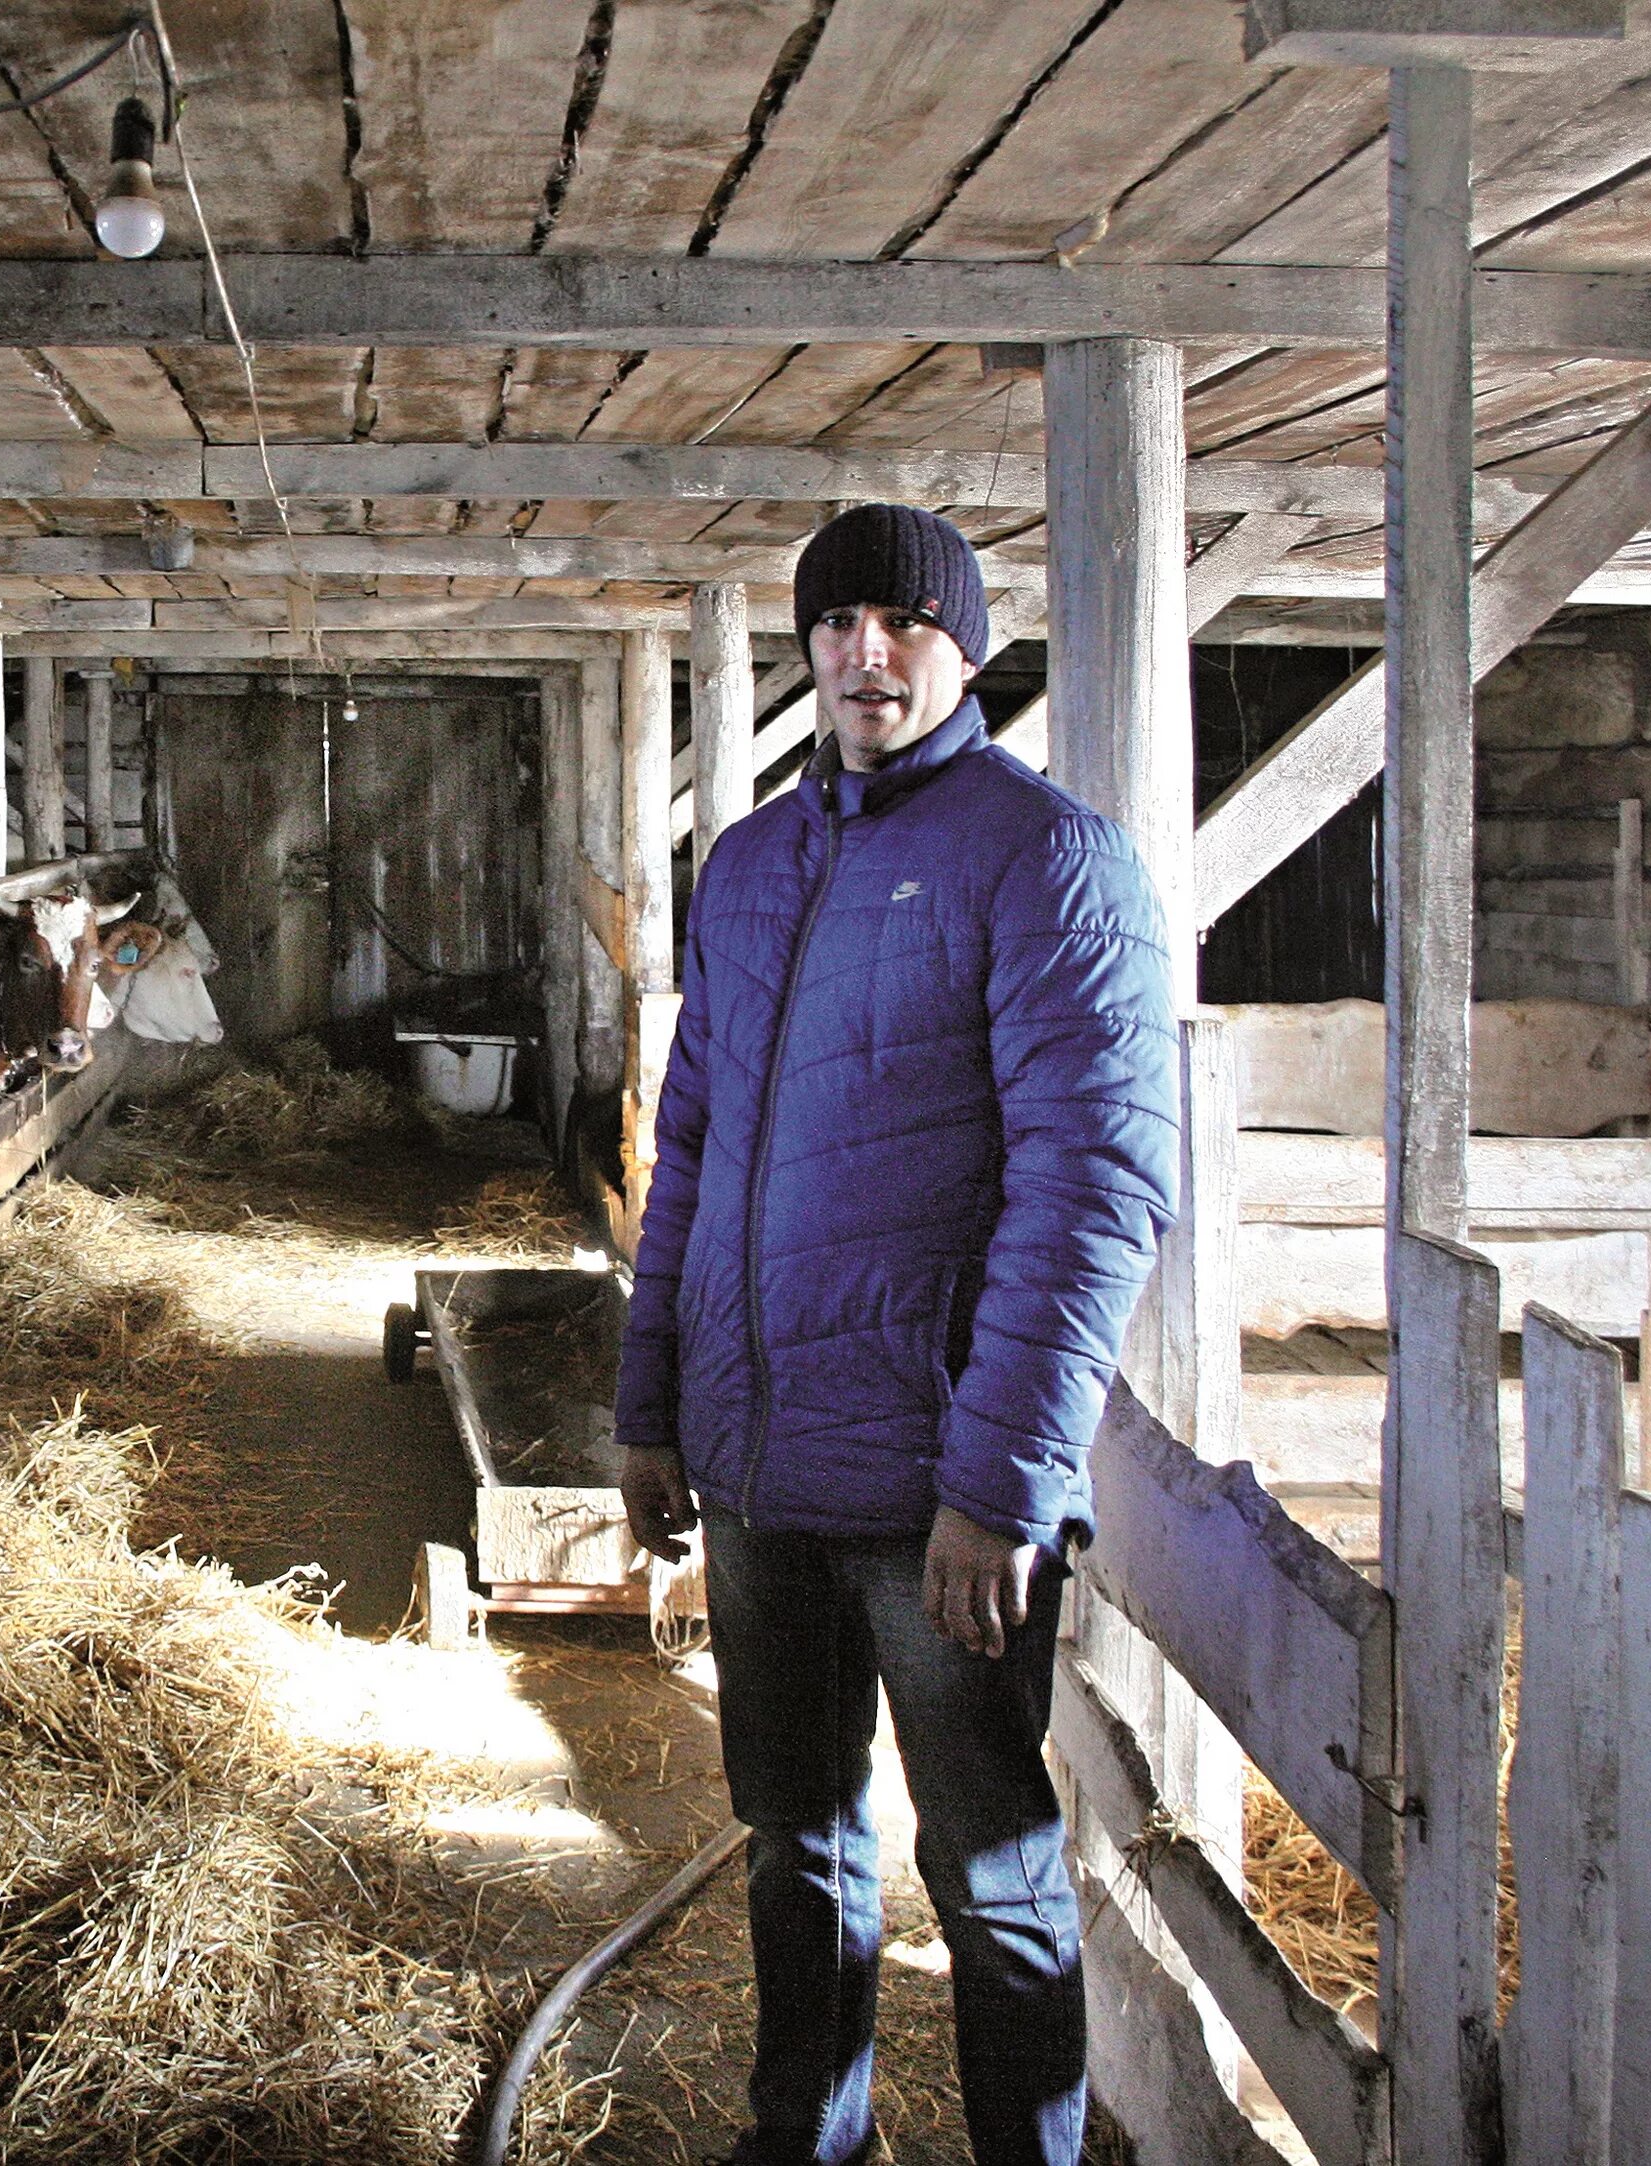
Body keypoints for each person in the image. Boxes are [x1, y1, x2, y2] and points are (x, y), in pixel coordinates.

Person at [616, 503, 1180, 2166]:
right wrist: (655, 1406)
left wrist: (1000, 1486)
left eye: (906, 623)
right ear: (805, 646)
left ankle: (1033, 2151)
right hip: (760, 1473)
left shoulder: (1049, 861)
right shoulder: (753, 865)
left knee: (990, 1866)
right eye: (839, 623)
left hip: (939, 1490)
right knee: (795, 1836)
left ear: (969, 646)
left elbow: (1093, 1192)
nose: (869, 653)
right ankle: (809, 2134)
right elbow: (693, 1148)